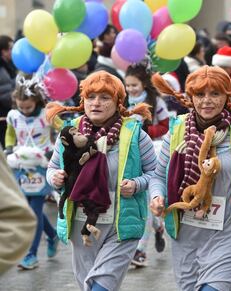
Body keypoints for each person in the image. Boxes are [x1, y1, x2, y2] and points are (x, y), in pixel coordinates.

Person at [149, 65, 231, 291]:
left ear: (227, 96)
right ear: (190, 97)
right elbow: (158, 176)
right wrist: (157, 197)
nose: (207, 101)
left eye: (215, 94)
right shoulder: (177, 131)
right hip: (186, 233)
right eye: (200, 94)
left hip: (229, 233)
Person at [46, 71, 156, 291]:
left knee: (102, 285)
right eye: (90, 97)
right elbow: (52, 168)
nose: (96, 103)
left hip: (121, 224)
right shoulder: (70, 132)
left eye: (105, 98)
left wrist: (136, 184)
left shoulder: (135, 134)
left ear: (118, 103)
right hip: (81, 221)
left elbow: (155, 173)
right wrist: (55, 178)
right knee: (87, 283)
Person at [5, 74, 60, 270]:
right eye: (21, 107)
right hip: (21, 166)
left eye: (28, 107)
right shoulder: (13, 115)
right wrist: (9, 147)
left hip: (41, 165)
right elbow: (11, 131)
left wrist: (57, 149)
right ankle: (52, 235)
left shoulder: (47, 114)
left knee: (34, 213)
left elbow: (62, 129)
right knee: (28, 210)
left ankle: (31, 255)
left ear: (36, 101)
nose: (24, 111)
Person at [124, 64, 167, 266]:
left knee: (149, 199)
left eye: (134, 85)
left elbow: (166, 125)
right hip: (130, 155)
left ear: (144, 84)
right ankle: (158, 226)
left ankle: (140, 250)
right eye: (128, 85)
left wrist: (145, 132)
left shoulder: (155, 101)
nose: (131, 89)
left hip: (153, 152)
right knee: (139, 200)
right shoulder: (121, 101)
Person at [0, 147, 36, 274]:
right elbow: (10, 134)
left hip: (39, 162)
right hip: (19, 162)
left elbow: (20, 218)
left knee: (34, 210)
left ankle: (32, 254)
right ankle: (52, 235)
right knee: (30, 207)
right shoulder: (13, 124)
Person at [0, 35, 16, 148]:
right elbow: (4, 93)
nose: (13, 50)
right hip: (3, 113)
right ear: (3, 51)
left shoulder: (8, 65)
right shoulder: (1, 68)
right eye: (10, 48)